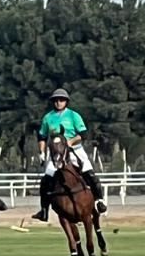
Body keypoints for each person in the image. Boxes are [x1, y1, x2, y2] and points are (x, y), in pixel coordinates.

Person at [32, 88, 108, 222]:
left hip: (74, 149)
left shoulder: (74, 115)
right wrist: (42, 153)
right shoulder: (47, 118)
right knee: (46, 179)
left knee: (89, 173)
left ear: (66, 102)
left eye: (61, 100)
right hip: (56, 152)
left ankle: (99, 201)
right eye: (56, 100)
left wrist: (69, 142)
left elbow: (83, 134)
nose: (58, 102)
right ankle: (44, 210)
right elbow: (42, 136)